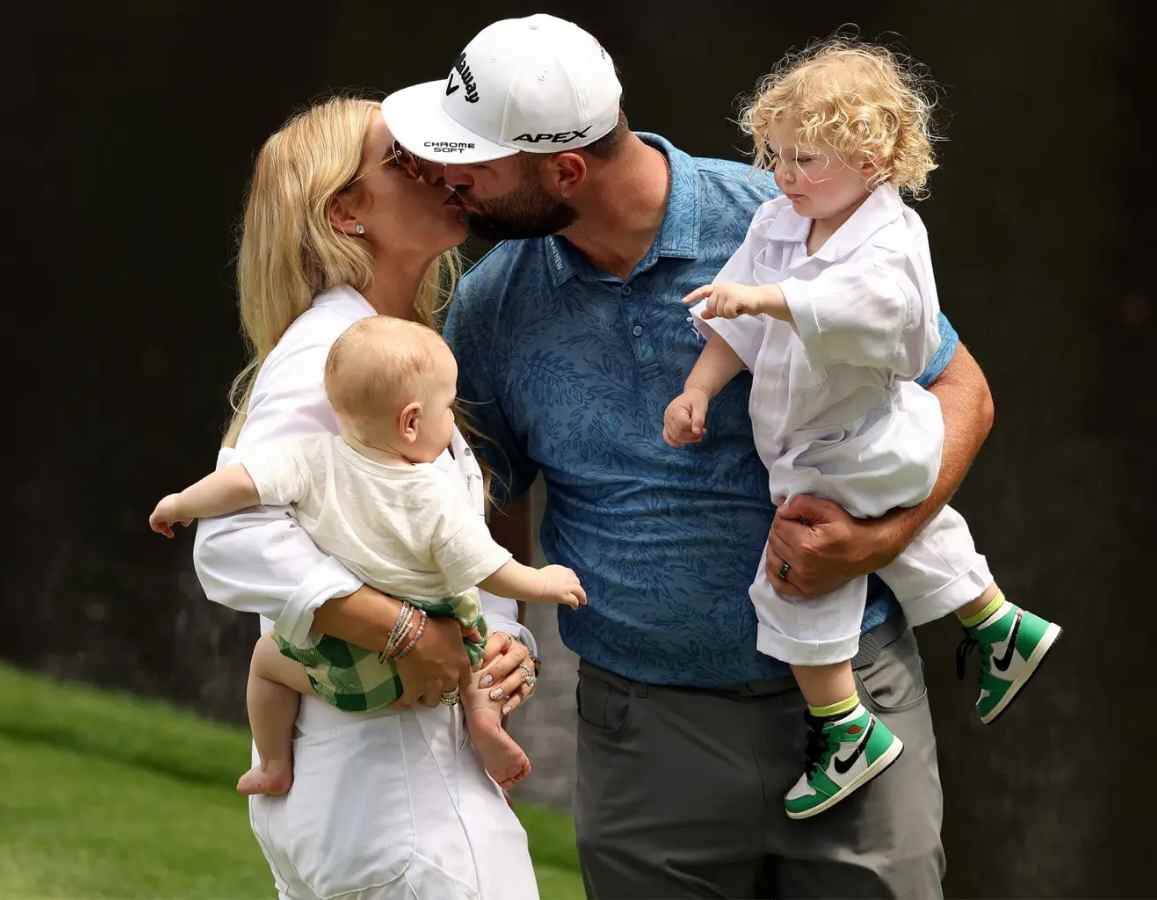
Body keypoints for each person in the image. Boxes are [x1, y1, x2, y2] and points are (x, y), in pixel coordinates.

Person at [383, 13, 993, 897]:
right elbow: (484, 501)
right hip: (643, 738)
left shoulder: (786, 219)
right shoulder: (490, 307)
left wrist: (887, 536)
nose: (452, 181)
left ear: (564, 170)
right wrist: (497, 628)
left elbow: (961, 390)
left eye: (473, 164)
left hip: (852, 703)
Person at [663, 40, 1062, 819]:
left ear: (874, 157)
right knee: (903, 528)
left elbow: (885, 319)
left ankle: (847, 730)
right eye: (776, 156)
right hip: (833, 443)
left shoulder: (892, 240)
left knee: (795, 571)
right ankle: (998, 623)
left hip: (862, 440)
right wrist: (697, 388)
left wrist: (773, 301)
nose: (785, 175)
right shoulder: (781, 221)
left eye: (808, 159)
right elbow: (733, 316)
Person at [191, 96, 540, 900]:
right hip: (399, 799)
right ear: (346, 210)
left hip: (370, 792)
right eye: (405, 161)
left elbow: (417, 532)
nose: (443, 171)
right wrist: (411, 632)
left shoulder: (387, 347)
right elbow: (229, 541)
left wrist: (506, 639)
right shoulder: (330, 353)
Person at [154, 315, 586, 795]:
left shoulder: (312, 458)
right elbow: (488, 568)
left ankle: (273, 764)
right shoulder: (432, 494)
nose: (453, 419)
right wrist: (544, 582)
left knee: (265, 662)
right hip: (437, 656)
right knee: (473, 646)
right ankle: (483, 718)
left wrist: (180, 503)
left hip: (351, 667)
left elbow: (242, 482)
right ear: (411, 422)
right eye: (449, 407)